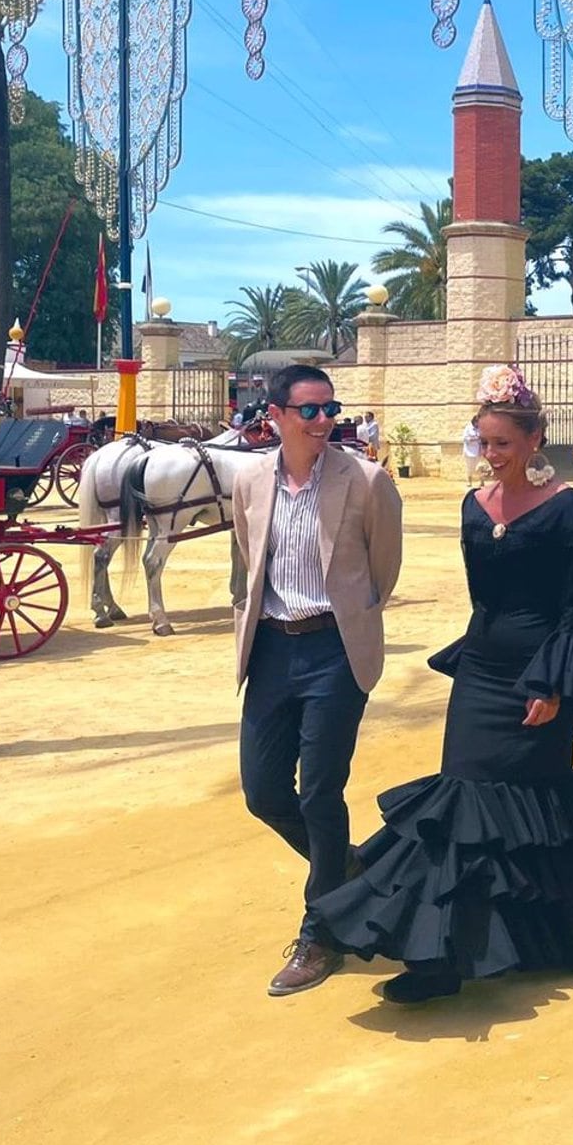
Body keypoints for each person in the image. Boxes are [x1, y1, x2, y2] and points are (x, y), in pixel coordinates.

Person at [309, 366, 573, 1003]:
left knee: (533, 805)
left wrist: (551, 686)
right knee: (461, 807)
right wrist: (473, 666)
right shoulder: (472, 506)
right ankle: (446, 955)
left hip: (542, 677)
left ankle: (556, 935)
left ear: (534, 440)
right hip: (482, 674)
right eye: (483, 442)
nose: (491, 457)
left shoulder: (567, 508)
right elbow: (481, 601)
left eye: (503, 444)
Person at [231, 364, 404, 997]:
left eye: (330, 408)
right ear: (275, 416)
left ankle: (321, 933)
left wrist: (351, 621)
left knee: (320, 794)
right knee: (264, 791)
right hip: (272, 652)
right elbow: (249, 561)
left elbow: (383, 569)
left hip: (335, 649)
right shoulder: (249, 478)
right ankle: (352, 874)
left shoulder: (366, 480)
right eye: (308, 410)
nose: (324, 420)